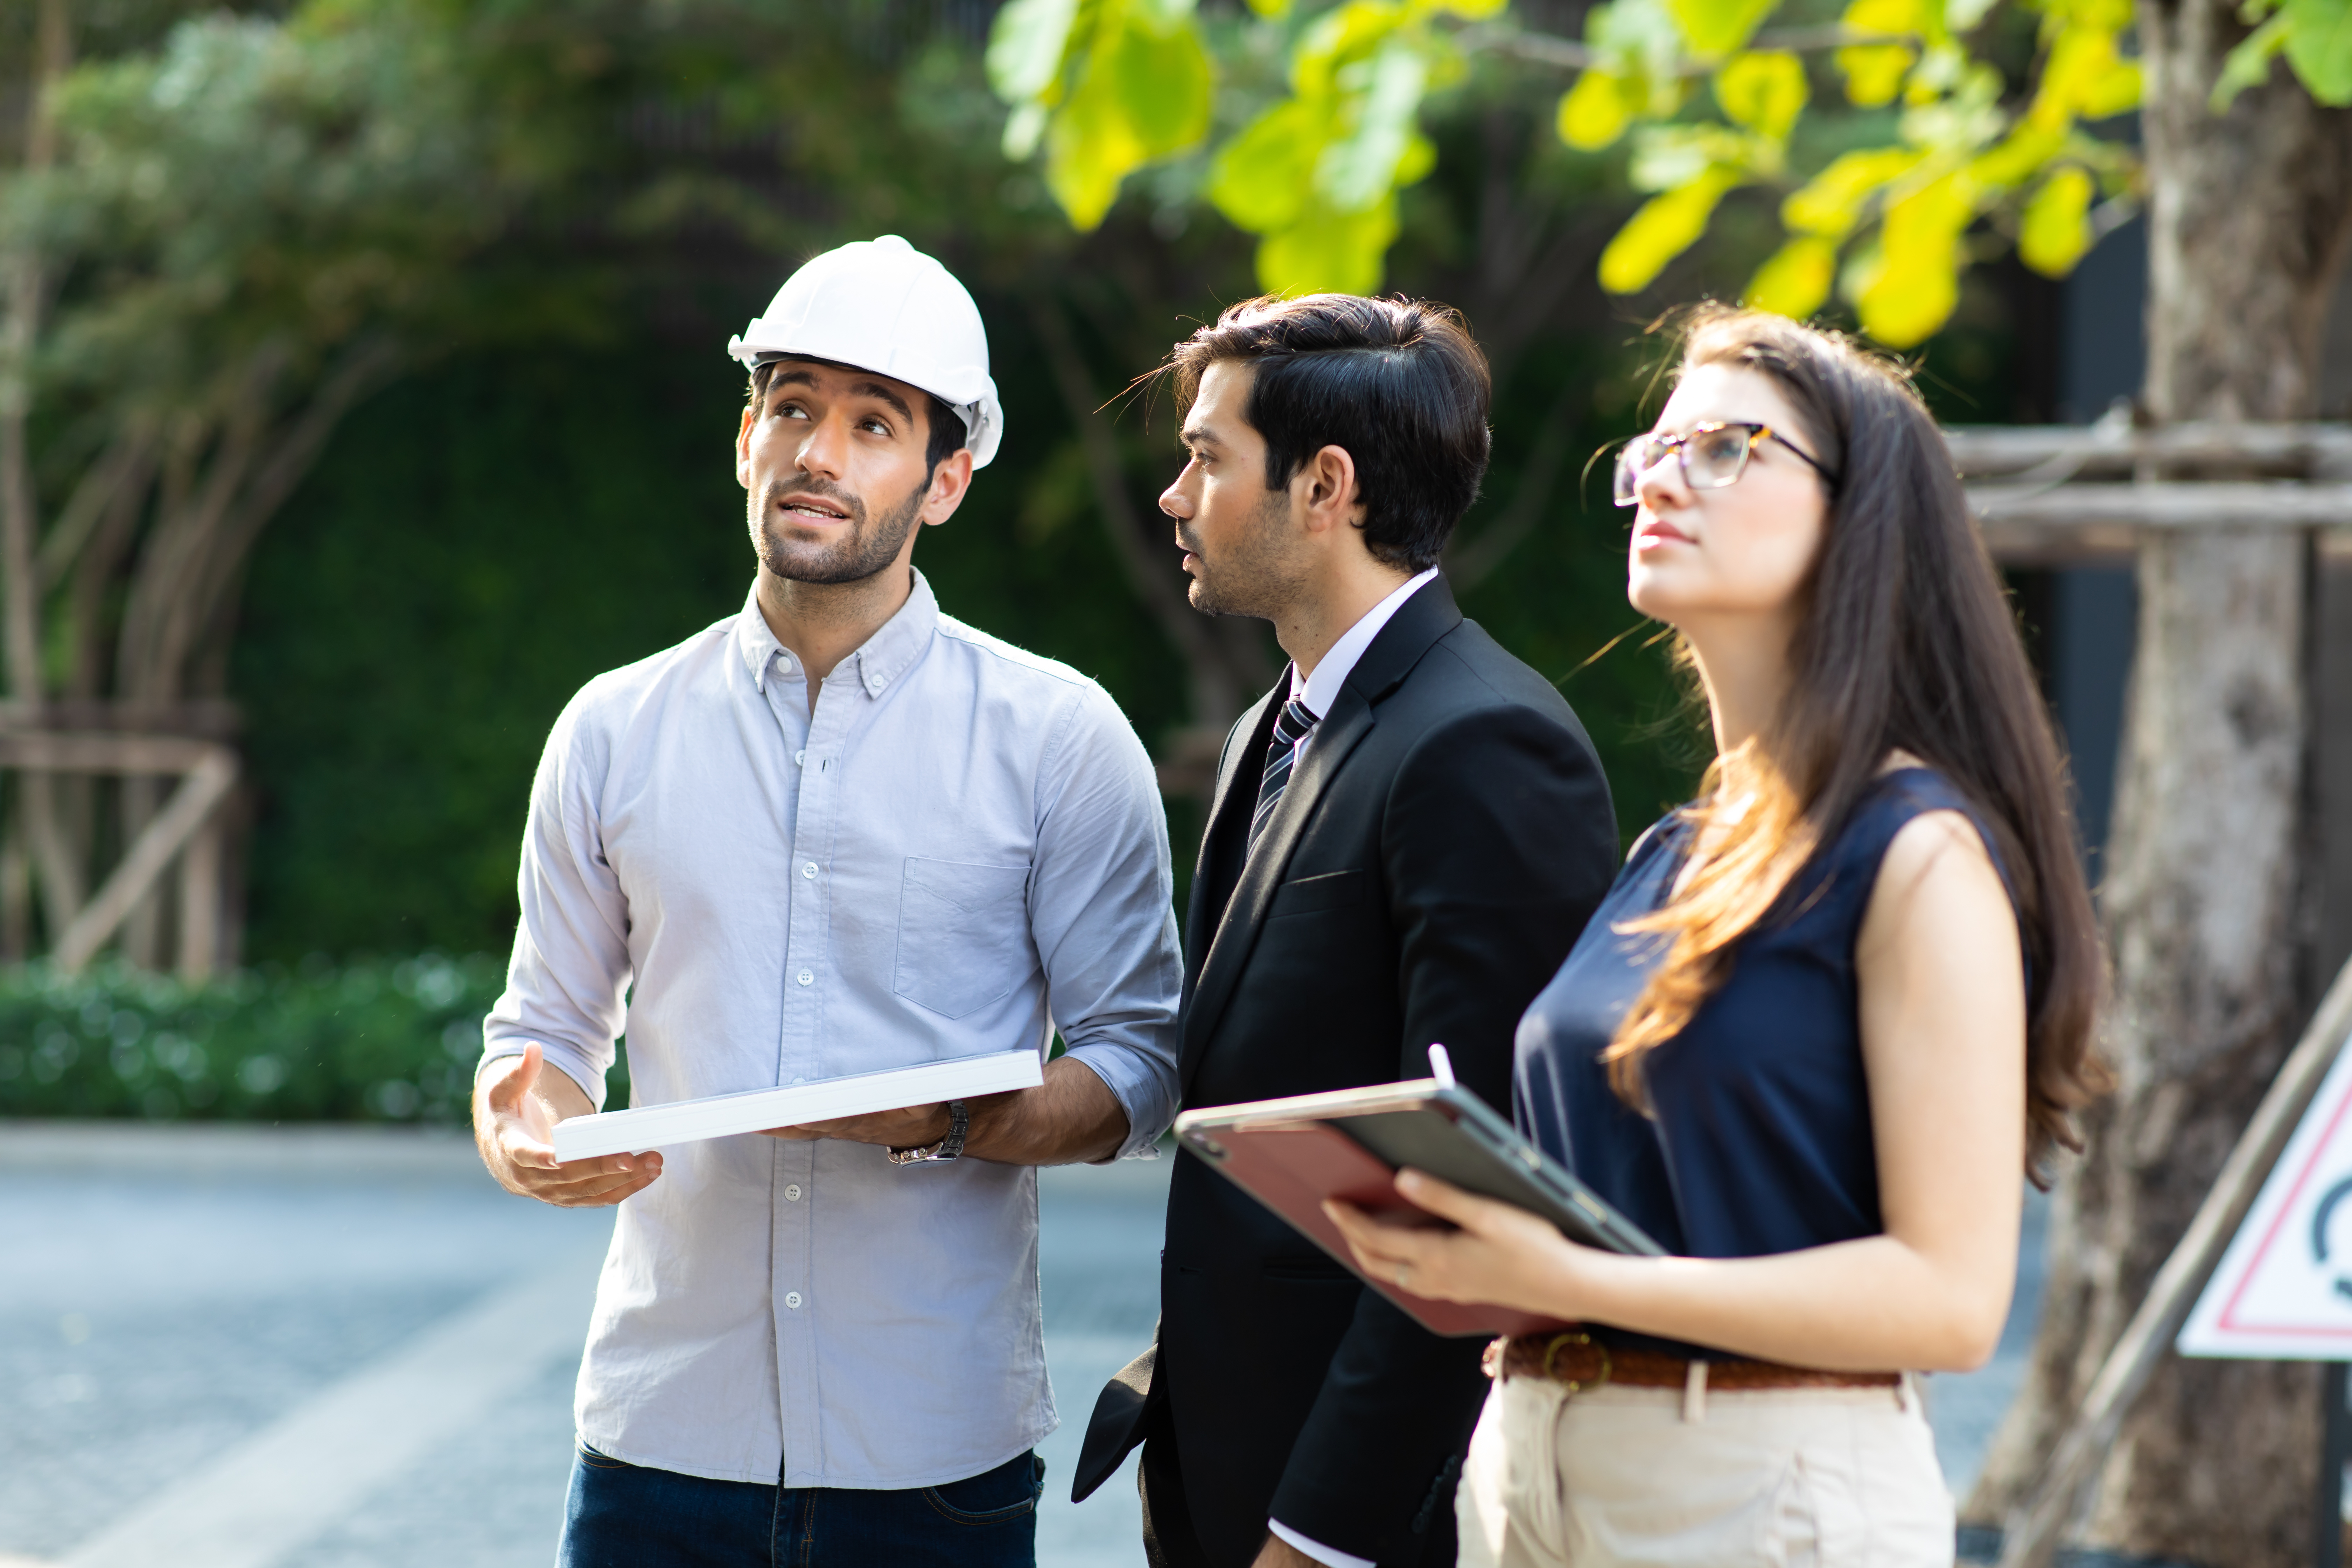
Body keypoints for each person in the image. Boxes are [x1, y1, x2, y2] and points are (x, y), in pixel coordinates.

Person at [1324, 306, 2109, 1568]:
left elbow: (1951, 1301)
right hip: (1539, 1467)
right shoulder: (1673, 852)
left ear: (1863, 518)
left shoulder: (1916, 853)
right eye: (1657, 449)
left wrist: (1576, 1284)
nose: (1663, 478)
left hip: (1761, 1493)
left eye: (1731, 447)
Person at [469, 234, 1183, 1568]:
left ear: (948, 478)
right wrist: (526, 1125)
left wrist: (957, 1119)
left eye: (873, 425)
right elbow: (542, 1032)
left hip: (933, 1452)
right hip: (657, 1443)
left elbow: (1142, 1064)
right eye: (793, 407)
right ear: (747, 438)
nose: (820, 452)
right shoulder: (613, 730)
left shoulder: (1060, 737)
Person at [1072, 294, 1620, 1568]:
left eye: (1207, 458)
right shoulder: (1288, 719)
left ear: (1326, 488)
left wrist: (1319, 1538)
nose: (1173, 496)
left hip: (1351, 1523)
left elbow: (1477, 1201)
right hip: (1220, 1471)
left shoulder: (1486, 744)